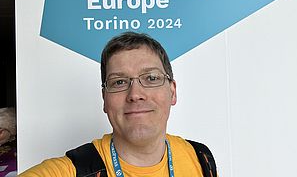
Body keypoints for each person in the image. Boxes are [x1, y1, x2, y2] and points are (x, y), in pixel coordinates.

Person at [19, 32, 217, 177]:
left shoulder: (200, 158)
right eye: (119, 82)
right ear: (105, 99)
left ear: (172, 92)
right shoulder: (70, 172)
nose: (135, 94)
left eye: (150, 78)